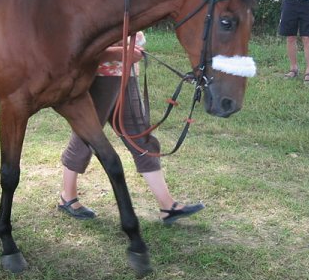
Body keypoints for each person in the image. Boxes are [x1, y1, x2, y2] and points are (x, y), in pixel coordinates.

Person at [58, 31, 204, 225]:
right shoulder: (93, 3)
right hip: (100, 78)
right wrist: (121, 52)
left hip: (127, 75)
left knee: (141, 138)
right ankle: (67, 197)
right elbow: (80, 47)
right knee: (87, 137)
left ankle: (168, 207)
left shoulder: (123, 2)